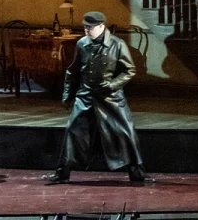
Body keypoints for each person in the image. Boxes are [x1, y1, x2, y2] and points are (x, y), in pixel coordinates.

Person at [43, 11, 151, 185]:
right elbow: (72, 71)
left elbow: (129, 70)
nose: (86, 30)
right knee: (72, 130)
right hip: (85, 96)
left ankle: (137, 173)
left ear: (101, 27)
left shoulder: (117, 44)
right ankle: (62, 172)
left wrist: (113, 84)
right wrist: (67, 95)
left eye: (90, 27)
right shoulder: (82, 44)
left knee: (125, 132)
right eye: (85, 26)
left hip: (111, 98)